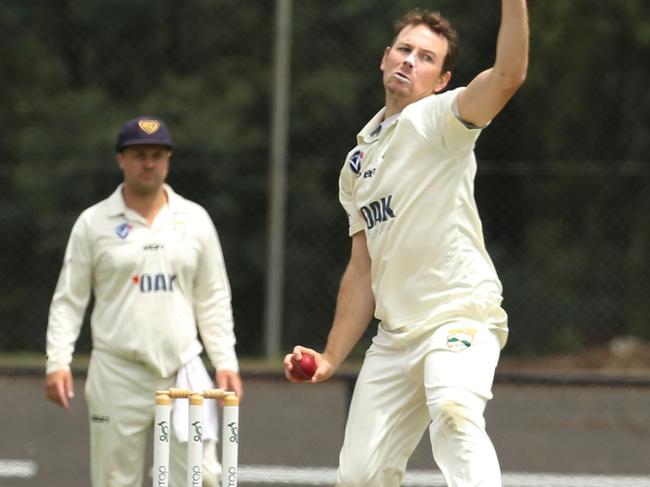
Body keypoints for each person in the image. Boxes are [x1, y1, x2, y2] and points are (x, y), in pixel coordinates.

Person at [284, 2, 528, 486]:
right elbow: (361, 270)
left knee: (455, 413)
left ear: (441, 80)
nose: (409, 61)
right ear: (384, 57)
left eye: (425, 57)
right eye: (403, 49)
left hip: (459, 316)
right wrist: (332, 357)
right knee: (357, 477)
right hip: (395, 337)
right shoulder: (356, 163)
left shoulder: (442, 120)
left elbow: (507, 77)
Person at [45, 116, 243, 487]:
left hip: (182, 371)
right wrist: (57, 361)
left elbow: (213, 297)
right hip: (117, 372)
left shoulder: (195, 219)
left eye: (157, 155)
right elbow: (69, 300)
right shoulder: (93, 223)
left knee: (201, 480)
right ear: (121, 159)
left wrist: (225, 360)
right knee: (114, 481)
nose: (148, 163)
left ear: (168, 160)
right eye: (139, 155)